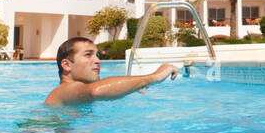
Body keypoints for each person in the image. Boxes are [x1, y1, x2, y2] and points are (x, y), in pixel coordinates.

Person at [43, 37, 179, 107]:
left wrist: (131, 86)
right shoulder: (66, 89)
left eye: (97, 55)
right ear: (67, 65)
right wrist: (153, 77)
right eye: (88, 55)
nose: (97, 60)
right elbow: (96, 91)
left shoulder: (72, 92)